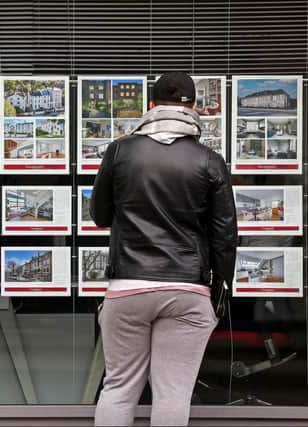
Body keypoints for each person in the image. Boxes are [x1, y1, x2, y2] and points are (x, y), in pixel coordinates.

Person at [91, 71, 237, 426]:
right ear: (195, 108)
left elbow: (99, 216)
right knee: (172, 394)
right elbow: (225, 234)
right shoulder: (208, 160)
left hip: (128, 285)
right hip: (187, 287)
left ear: (151, 106)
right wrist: (220, 288)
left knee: (119, 387)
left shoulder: (121, 151)